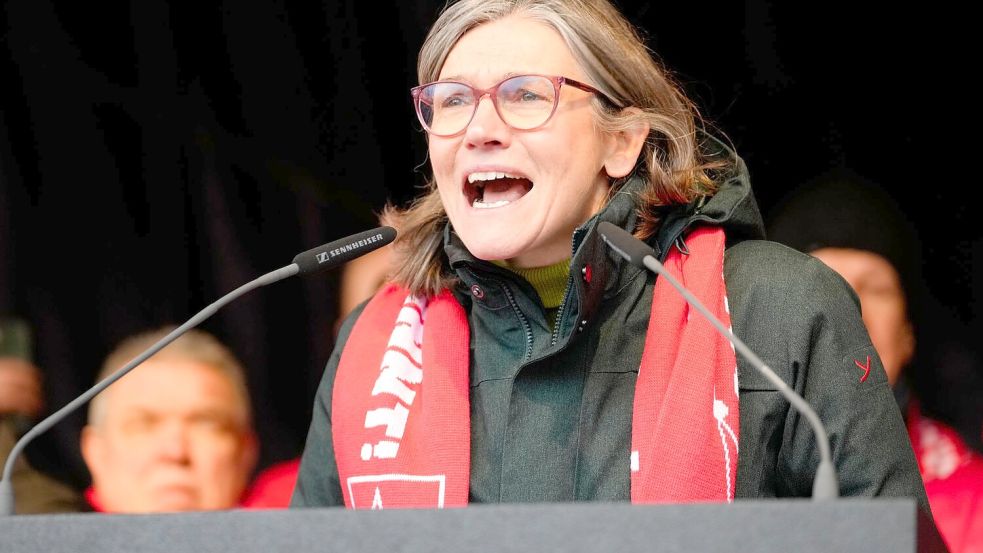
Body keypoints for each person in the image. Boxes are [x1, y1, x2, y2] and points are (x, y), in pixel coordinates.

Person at [292, 0, 928, 510]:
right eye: (452, 101)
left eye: (524, 95)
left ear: (621, 142)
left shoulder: (776, 310)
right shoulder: (375, 344)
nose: (481, 129)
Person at [769, 168, 983, 553]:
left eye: (875, 289)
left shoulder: (974, 501)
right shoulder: (723, 473)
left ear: (908, 333)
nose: (852, 311)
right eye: (826, 286)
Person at [80, 327, 258, 513]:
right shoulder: (50, 536)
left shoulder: (285, 538)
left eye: (205, 424)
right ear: (95, 452)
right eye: (144, 425)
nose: (175, 451)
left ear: (246, 452)